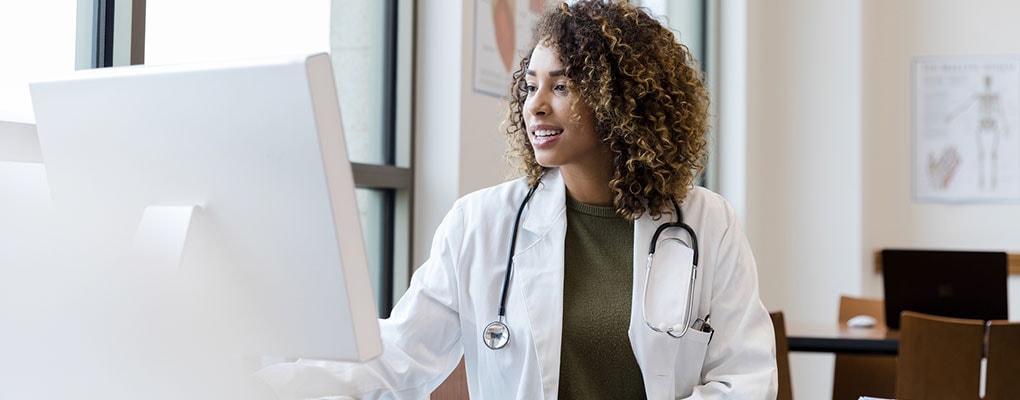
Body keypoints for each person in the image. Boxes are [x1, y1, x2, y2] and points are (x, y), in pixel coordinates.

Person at [257, 1, 777, 398]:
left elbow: (744, 378)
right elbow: (396, 357)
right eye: (530, 87)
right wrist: (261, 376)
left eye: (563, 86)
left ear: (620, 100)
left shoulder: (707, 224)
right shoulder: (480, 224)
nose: (536, 106)